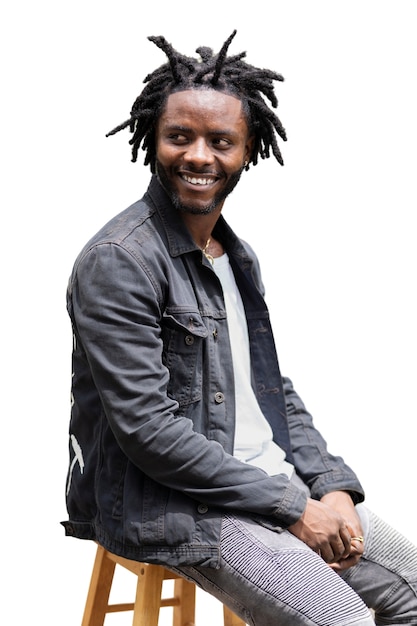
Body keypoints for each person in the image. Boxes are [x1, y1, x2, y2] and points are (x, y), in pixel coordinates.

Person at [62, 31, 417, 626]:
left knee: (412, 584)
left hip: (270, 482)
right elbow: (150, 433)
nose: (199, 155)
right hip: (177, 504)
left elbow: (270, 390)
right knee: (342, 619)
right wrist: (292, 506)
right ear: (154, 140)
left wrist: (332, 487)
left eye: (220, 141)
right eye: (180, 136)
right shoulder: (118, 261)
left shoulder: (235, 254)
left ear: (247, 151)